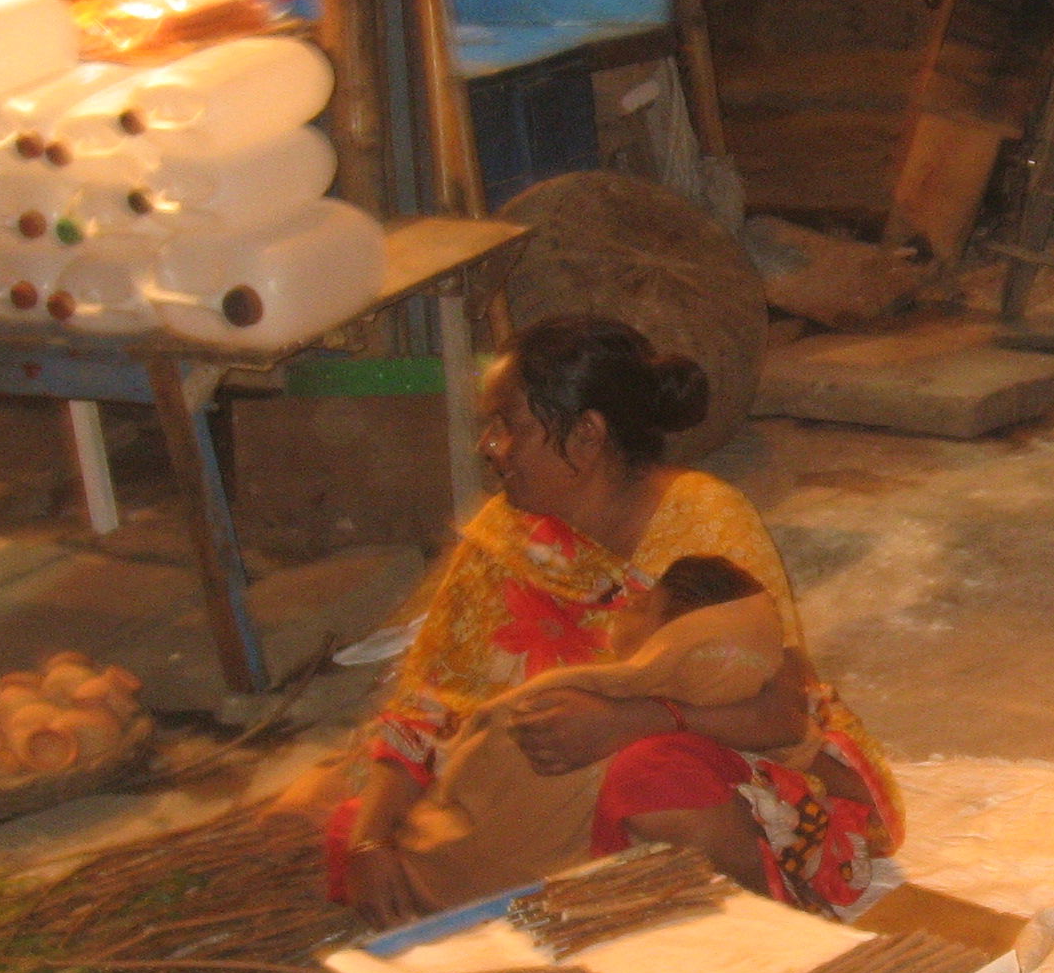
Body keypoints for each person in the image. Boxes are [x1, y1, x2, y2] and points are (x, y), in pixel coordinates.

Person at [310, 314, 900, 924]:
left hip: (720, 755)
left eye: (507, 426)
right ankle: (589, 892)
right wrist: (371, 842)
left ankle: (760, 914)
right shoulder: (503, 537)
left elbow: (784, 710)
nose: (488, 446)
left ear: (587, 436)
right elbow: (430, 707)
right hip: (551, 779)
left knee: (652, 783)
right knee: (358, 831)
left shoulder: (704, 522)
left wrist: (632, 720)